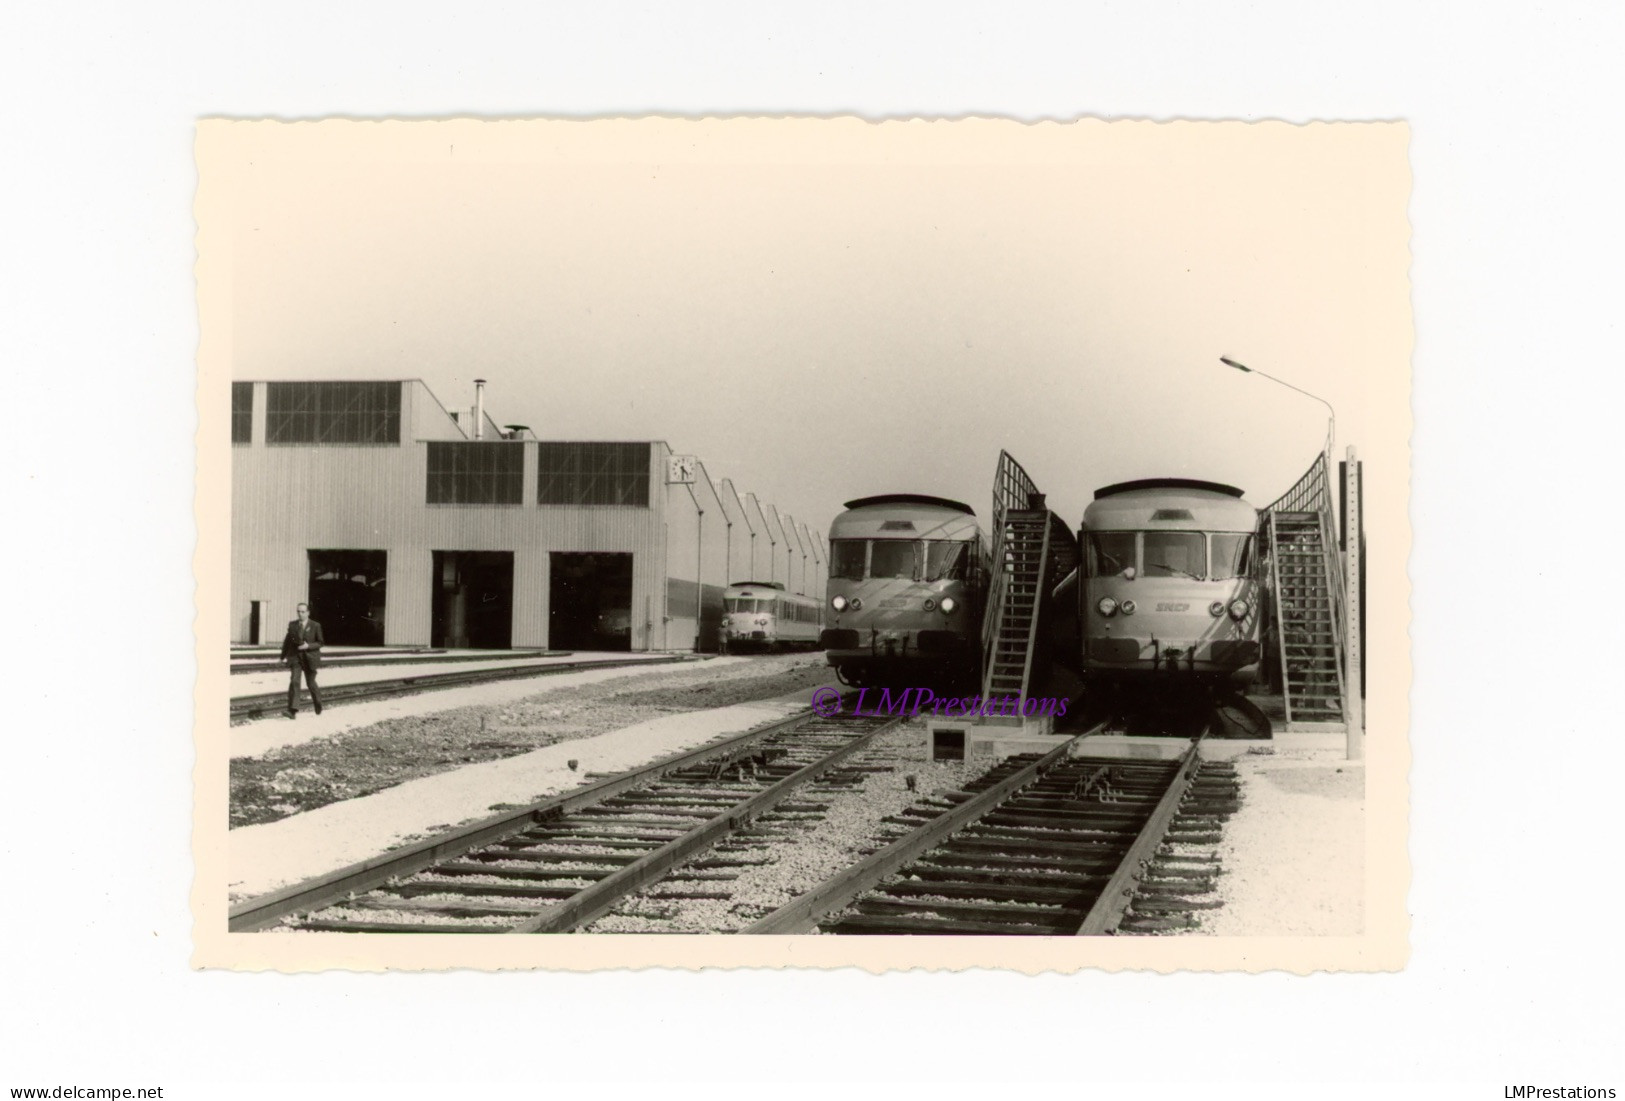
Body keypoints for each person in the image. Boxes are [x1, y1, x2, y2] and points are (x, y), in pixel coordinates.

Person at [280, 602, 325, 717]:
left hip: (310, 658)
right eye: (298, 611)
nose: (300, 614)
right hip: (295, 657)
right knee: (294, 681)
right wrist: (282, 656)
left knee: (310, 683)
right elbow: (288, 641)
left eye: (303, 612)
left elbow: (320, 642)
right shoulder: (292, 625)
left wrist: (308, 646)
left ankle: (318, 702)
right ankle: (292, 710)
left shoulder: (315, 625)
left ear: (308, 612)